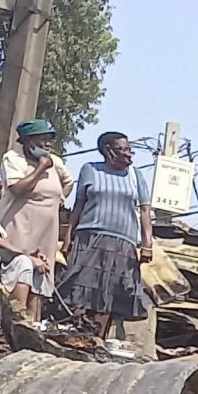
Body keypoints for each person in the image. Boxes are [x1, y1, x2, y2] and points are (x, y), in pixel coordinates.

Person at [54, 130, 153, 329]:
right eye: (121, 149)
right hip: (89, 236)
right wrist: (67, 237)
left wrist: (147, 244)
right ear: (107, 151)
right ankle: (75, 331)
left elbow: (144, 210)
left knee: (108, 293)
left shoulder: (136, 175)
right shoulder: (90, 170)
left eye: (128, 149)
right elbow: (79, 205)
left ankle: (97, 337)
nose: (127, 153)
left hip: (123, 242)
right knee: (79, 287)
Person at [0, 119, 69, 324]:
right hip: (20, 223)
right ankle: (17, 321)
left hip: (46, 229)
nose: (48, 144)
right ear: (28, 141)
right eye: (43, 140)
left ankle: (34, 323)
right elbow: (18, 189)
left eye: (50, 140)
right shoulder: (14, 159)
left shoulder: (55, 161)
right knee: (22, 266)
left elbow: (68, 182)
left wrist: (58, 200)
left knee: (43, 273)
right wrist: (39, 169)